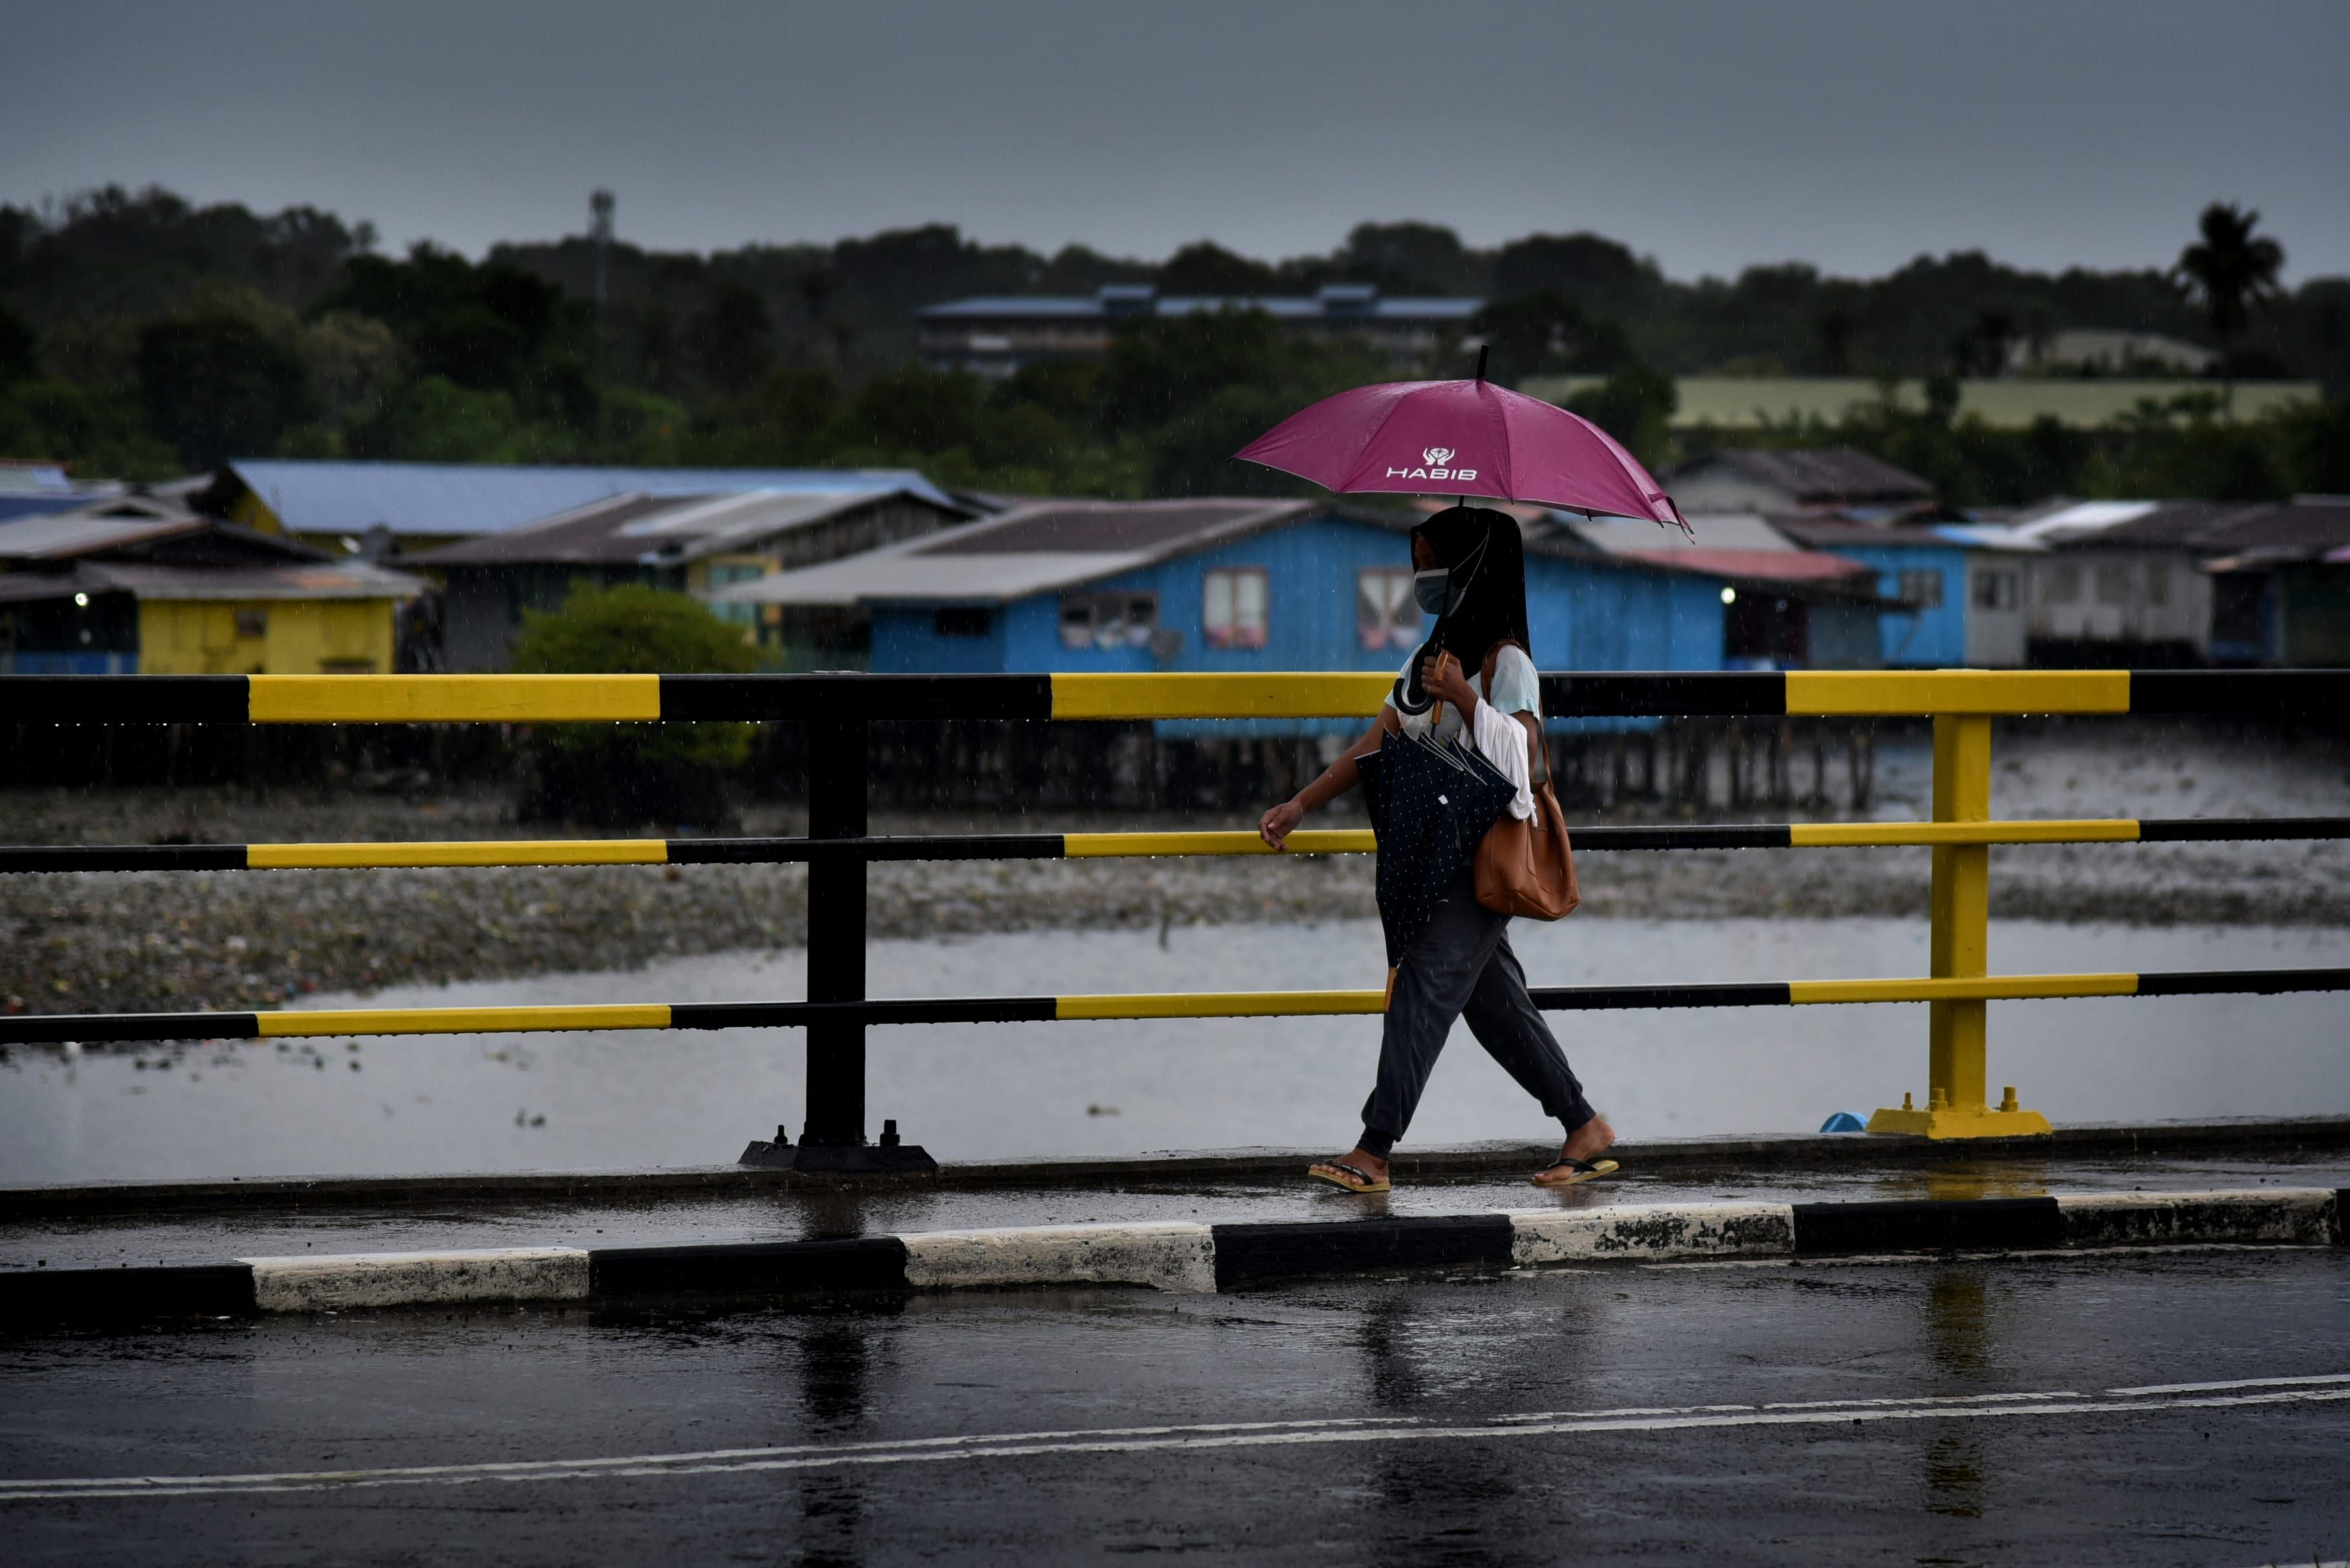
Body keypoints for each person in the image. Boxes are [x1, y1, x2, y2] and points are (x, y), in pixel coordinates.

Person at [1256, 505, 1616, 1193]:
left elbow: (1526, 755)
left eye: (1430, 559)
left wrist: (1461, 695)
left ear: (1469, 566)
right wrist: (1301, 802)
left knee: (1421, 983)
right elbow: (1377, 744)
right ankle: (1582, 1124)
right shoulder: (1426, 658)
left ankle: (1374, 1146)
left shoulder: (1503, 662)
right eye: (1416, 557)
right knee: (1494, 1004)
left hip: (1478, 857)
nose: (1419, 575)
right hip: (1433, 853)